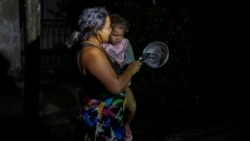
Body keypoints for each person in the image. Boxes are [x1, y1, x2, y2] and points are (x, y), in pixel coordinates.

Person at [65, 7, 142, 141]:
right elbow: (116, 86)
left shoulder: (97, 48)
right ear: (96, 30)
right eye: (107, 27)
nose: (111, 30)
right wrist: (130, 70)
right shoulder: (91, 53)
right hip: (101, 122)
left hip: (109, 118)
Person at [102, 13, 136, 141]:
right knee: (111, 110)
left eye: (121, 35)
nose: (118, 38)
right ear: (108, 31)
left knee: (132, 107)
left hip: (123, 82)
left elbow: (130, 60)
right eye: (115, 35)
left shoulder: (126, 43)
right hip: (108, 83)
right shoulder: (103, 45)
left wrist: (128, 68)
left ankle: (126, 124)